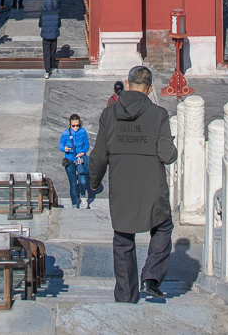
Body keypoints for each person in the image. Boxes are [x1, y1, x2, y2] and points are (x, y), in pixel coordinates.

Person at [89, 65, 178, 304]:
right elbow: (167, 155)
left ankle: (126, 295)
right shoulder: (159, 115)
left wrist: (94, 182)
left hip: (122, 186)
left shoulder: (109, 115)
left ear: (127, 85)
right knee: (163, 227)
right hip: (152, 186)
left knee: (123, 239)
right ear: (149, 89)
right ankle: (151, 277)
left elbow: (98, 155)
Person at [60, 114, 91, 209]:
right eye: (73, 126)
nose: (76, 128)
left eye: (77, 125)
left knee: (82, 181)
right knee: (73, 183)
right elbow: (60, 145)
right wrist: (64, 149)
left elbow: (86, 144)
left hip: (80, 159)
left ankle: (82, 196)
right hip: (70, 159)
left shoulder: (83, 131)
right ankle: (74, 204)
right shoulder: (66, 133)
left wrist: (82, 152)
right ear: (70, 124)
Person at [40, 0, 61, 79]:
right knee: (53, 52)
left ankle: (47, 71)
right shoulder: (57, 13)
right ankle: (52, 67)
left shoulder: (43, 13)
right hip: (54, 36)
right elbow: (59, 24)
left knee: (46, 54)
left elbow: (40, 24)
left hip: (45, 37)